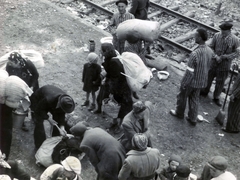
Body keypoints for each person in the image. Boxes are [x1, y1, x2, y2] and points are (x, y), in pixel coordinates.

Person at [170, 28, 214, 126]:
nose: (194, 37)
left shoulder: (195, 54)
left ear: (200, 38)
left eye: (196, 36)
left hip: (191, 81)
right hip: (201, 81)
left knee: (182, 96)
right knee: (194, 98)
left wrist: (184, 83)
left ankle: (179, 113)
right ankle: (192, 118)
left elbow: (189, 72)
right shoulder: (210, 51)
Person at [201, 20, 240, 106]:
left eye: (224, 31)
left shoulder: (235, 40)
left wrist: (224, 57)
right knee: (208, 77)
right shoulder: (216, 35)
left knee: (220, 82)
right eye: (221, 30)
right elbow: (211, 47)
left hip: (224, 65)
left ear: (229, 30)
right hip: (213, 62)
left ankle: (216, 97)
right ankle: (204, 91)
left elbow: (236, 53)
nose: (222, 32)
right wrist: (215, 56)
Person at [30, 85, 75, 149]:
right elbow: (39, 110)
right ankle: (39, 146)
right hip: (38, 101)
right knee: (39, 124)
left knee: (57, 121)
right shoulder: (48, 99)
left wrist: (62, 127)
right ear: (59, 103)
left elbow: (61, 114)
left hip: (51, 103)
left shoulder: (65, 102)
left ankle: (54, 141)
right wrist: (48, 118)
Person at [101, 42, 133, 133]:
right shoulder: (111, 58)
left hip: (121, 89)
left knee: (121, 107)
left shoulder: (113, 62)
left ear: (106, 51)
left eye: (102, 51)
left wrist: (111, 91)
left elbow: (115, 78)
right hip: (118, 87)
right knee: (114, 106)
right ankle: (114, 122)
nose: (101, 52)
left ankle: (120, 125)